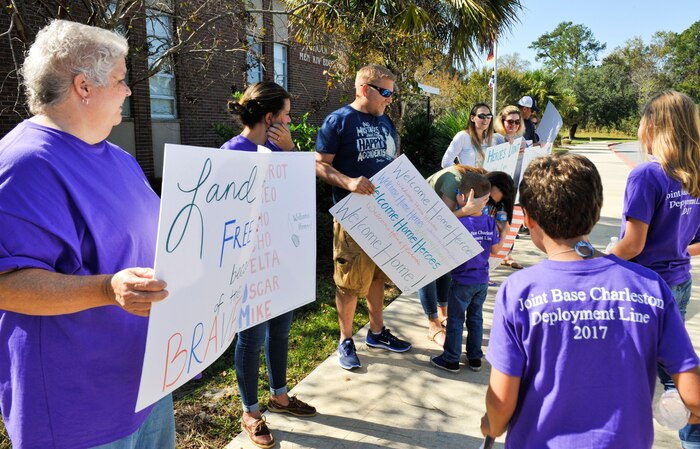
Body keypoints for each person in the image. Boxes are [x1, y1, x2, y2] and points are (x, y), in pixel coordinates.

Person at [0, 20, 174, 449]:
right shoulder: (25, 164)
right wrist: (106, 288)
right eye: (120, 79)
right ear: (83, 87)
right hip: (78, 411)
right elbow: (6, 286)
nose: (129, 91)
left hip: (144, 387)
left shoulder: (117, 156)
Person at [481, 152, 700, 448]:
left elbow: (502, 401)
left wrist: (491, 424)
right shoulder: (650, 287)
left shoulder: (519, 291)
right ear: (596, 213)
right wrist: (687, 414)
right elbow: (694, 395)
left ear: (528, 219)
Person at [221, 81, 316, 449]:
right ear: (270, 117)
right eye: (287, 115)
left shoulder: (280, 148)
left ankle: (280, 395)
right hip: (250, 265)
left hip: (281, 259)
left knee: (280, 331)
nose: (290, 121)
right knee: (252, 336)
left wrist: (291, 151)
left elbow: (297, 196)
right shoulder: (234, 152)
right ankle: (250, 411)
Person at [610, 90, 700, 447]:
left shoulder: (647, 176)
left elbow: (633, 244)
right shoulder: (693, 176)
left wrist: (602, 262)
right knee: (673, 364)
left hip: (644, 287)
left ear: (653, 126)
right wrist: (677, 246)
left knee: (651, 374)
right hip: (678, 282)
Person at [315, 64, 411, 370]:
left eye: (391, 94)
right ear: (364, 89)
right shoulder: (339, 121)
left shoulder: (386, 123)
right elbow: (318, 164)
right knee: (348, 281)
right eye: (385, 92)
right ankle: (345, 339)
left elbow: (393, 163)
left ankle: (377, 332)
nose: (389, 99)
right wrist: (349, 183)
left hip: (385, 216)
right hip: (352, 217)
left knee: (378, 277)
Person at [430, 172, 504, 373]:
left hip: (462, 281)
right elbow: (496, 251)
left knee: (455, 321)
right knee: (476, 319)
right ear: (486, 199)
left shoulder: (459, 222)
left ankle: (451, 358)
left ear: (463, 197)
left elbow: (438, 237)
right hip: (482, 280)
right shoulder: (490, 222)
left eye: (457, 194)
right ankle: (474, 358)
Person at [420, 165, 490, 346]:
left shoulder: (474, 183)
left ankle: (443, 313)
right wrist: (466, 211)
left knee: (446, 264)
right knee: (428, 270)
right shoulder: (455, 183)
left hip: (437, 222)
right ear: (470, 195)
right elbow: (441, 221)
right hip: (422, 222)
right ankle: (433, 325)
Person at [440, 103, 505, 168]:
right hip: (469, 177)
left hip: (489, 177)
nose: (486, 119)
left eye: (489, 116)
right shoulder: (463, 136)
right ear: (472, 118)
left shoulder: (492, 138)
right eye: (481, 116)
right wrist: (464, 172)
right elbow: (446, 162)